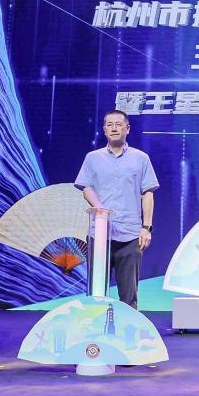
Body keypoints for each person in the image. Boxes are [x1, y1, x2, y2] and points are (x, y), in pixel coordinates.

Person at [74, 110, 159, 308]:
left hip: (130, 234)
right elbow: (86, 187)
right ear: (104, 129)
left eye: (119, 124)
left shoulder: (141, 158)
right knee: (96, 293)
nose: (114, 128)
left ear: (127, 129)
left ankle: (128, 327)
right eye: (109, 124)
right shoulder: (92, 158)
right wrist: (99, 208)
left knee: (129, 295)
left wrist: (146, 227)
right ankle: (96, 325)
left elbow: (148, 193)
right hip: (99, 233)